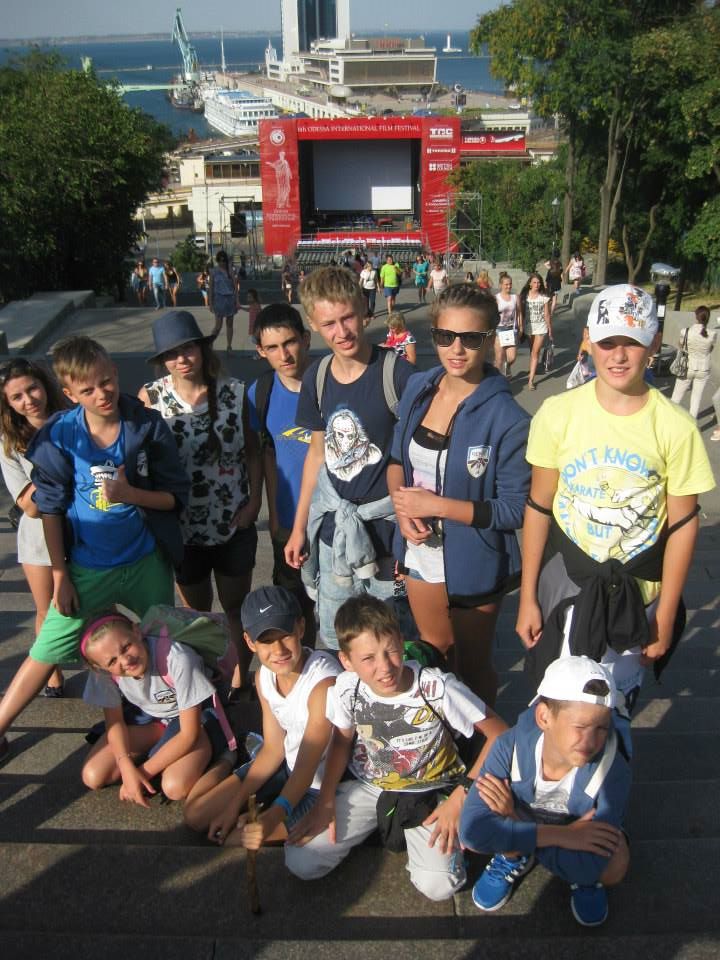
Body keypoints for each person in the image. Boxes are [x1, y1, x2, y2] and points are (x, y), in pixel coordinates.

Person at [516, 285, 715, 714]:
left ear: (655, 344)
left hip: (638, 595)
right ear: (588, 340)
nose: (619, 356)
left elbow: (683, 526)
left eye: (633, 343)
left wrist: (665, 614)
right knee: (556, 709)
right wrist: (527, 595)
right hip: (569, 586)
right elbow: (538, 506)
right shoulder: (557, 413)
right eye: (608, 343)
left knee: (614, 709)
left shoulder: (676, 426)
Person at [0, 336, 189, 766]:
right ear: (69, 394)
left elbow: (174, 498)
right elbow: (49, 510)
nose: (102, 394)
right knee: (46, 648)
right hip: (87, 567)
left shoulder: (146, 425)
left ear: (115, 372)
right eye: (87, 390)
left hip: (145, 560)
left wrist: (130, 494)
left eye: (106, 382)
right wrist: (61, 575)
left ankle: (188, 721)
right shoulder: (59, 435)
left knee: (167, 643)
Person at [285, 595, 508, 901]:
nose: (385, 667)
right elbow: (342, 740)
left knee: (439, 885)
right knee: (300, 860)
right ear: (346, 661)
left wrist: (462, 796)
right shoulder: (347, 687)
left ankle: (447, 843)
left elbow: (500, 734)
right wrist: (325, 800)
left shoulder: (436, 688)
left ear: (402, 642)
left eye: (391, 651)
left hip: (431, 789)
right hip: (370, 784)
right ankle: (387, 824)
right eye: (368, 659)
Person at [388, 285, 530, 705]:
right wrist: (402, 510)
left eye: (470, 338)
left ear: (490, 338)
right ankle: (445, 733)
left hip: (475, 558)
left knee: (471, 664)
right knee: (435, 653)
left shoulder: (509, 418)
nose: (456, 349)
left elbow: (515, 509)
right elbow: (396, 460)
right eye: (445, 336)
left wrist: (436, 507)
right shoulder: (419, 387)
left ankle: (481, 739)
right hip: (421, 553)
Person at [284, 266, 415, 650]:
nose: (341, 332)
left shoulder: (397, 374)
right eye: (329, 324)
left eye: (348, 318)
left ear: (364, 312)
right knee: (338, 635)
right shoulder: (317, 377)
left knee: (392, 634)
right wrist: (299, 527)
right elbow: (316, 454)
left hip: (388, 534)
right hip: (334, 533)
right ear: (313, 326)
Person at [140, 311, 262, 697]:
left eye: (188, 348)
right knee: (196, 614)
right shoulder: (150, 398)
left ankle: (239, 679)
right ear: (162, 360)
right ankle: (207, 680)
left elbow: (254, 452)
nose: (181, 359)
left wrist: (254, 504)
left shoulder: (234, 392)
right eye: (171, 353)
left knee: (235, 606)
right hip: (180, 526)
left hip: (232, 520)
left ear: (202, 348)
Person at [459, 656, 631, 928]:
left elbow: (590, 864)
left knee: (614, 866)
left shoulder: (614, 769)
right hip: (568, 827)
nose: (590, 741)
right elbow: (471, 832)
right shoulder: (509, 746)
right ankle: (518, 852)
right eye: (580, 727)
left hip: (545, 820)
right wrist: (563, 836)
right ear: (543, 717)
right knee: (585, 858)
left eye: (601, 728)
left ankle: (517, 852)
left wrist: (513, 825)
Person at [184, 586, 340, 848]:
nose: (278, 649)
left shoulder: (323, 683)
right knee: (195, 816)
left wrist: (272, 816)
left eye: (285, 635)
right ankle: (227, 759)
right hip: (286, 764)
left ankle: (262, 797)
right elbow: (274, 748)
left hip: (318, 784)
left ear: (301, 628)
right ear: (249, 642)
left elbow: (307, 766)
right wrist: (233, 807)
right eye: (266, 640)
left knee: (236, 840)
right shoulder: (263, 676)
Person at [81, 607, 228, 804]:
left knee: (175, 787)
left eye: (126, 647)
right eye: (112, 661)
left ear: (136, 631)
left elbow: (189, 734)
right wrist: (126, 767)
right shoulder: (103, 673)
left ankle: (228, 756)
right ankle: (162, 742)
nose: (125, 660)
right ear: (100, 667)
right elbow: (115, 723)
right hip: (153, 719)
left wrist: (142, 773)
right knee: (93, 776)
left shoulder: (178, 658)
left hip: (194, 719)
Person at [247, 303, 316, 643]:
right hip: (288, 522)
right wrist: (273, 514)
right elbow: (266, 454)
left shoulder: (332, 382)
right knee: (295, 612)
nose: (284, 354)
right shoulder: (260, 393)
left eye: (289, 342)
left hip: (337, 521)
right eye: (272, 347)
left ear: (305, 338)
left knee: (345, 612)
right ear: (261, 351)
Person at [0, 358, 68, 697]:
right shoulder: (9, 443)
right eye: (17, 397)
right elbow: (29, 505)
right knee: (47, 609)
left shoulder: (72, 419)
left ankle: (109, 671)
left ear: (45, 385)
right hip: (38, 538)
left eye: (33, 389)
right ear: (8, 404)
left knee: (99, 606)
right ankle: (51, 673)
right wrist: (56, 466)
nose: (29, 400)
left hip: (84, 529)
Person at [670, 305, 716, 420]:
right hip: (703, 369)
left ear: (696, 317)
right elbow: (710, 349)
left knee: (676, 397)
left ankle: (670, 419)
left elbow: (680, 345)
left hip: (686, 367)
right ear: (708, 318)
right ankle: (691, 423)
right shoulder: (712, 334)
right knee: (696, 399)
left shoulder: (685, 331)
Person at [519, 273, 552, 391]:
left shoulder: (543, 297)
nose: (537, 285)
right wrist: (520, 327)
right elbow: (520, 313)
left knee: (535, 352)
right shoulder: (524, 296)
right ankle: (534, 367)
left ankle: (531, 380)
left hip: (541, 327)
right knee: (532, 351)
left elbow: (547, 314)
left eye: (538, 283)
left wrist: (550, 329)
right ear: (530, 284)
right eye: (534, 282)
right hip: (529, 327)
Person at [208, 250, 239, 353]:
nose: (222, 262)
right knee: (218, 325)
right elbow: (211, 288)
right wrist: (210, 303)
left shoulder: (230, 271)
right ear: (217, 261)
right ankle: (210, 343)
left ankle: (229, 346)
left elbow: (235, 287)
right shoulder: (213, 271)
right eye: (220, 260)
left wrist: (237, 301)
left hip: (230, 299)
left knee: (229, 324)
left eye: (224, 260)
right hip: (219, 299)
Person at [494, 271, 522, 378]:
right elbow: (491, 314)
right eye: (506, 284)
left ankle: (507, 366)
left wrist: (521, 327)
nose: (509, 286)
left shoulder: (515, 297)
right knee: (499, 359)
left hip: (511, 329)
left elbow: (519, 313)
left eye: (510, 284)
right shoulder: (496, 298)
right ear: (501, 285)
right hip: (498, 329)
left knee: (512, 357)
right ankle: (496, 380)